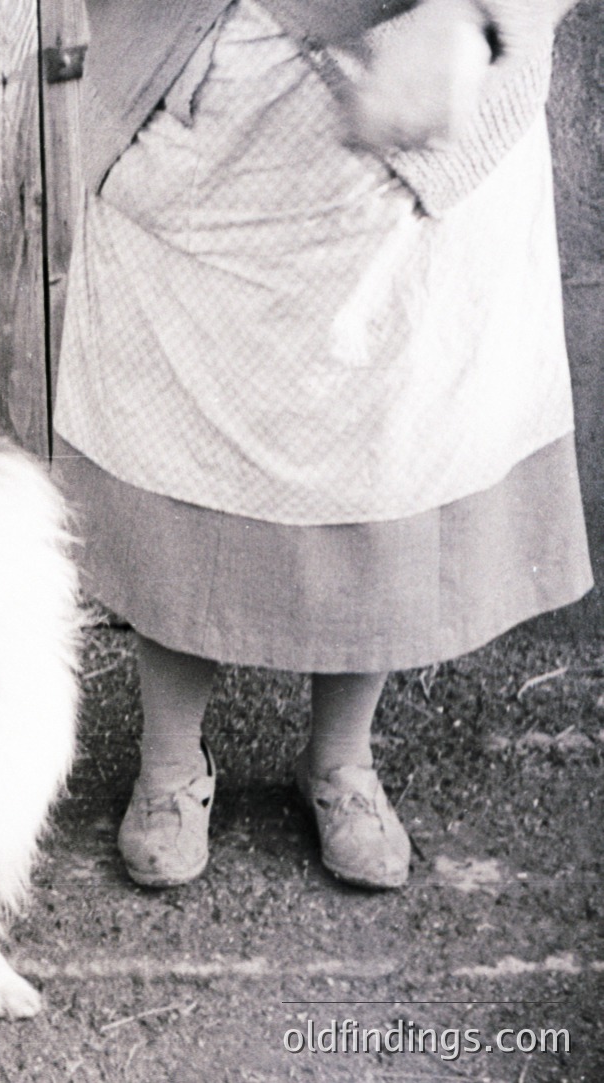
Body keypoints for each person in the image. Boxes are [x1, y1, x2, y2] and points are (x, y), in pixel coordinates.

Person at [52, 0, 591, 890]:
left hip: (418, 104)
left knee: (381, 435)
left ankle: (340, 761)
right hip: (197, 89)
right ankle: (169, 760)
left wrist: (487, 12)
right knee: (179, 436)